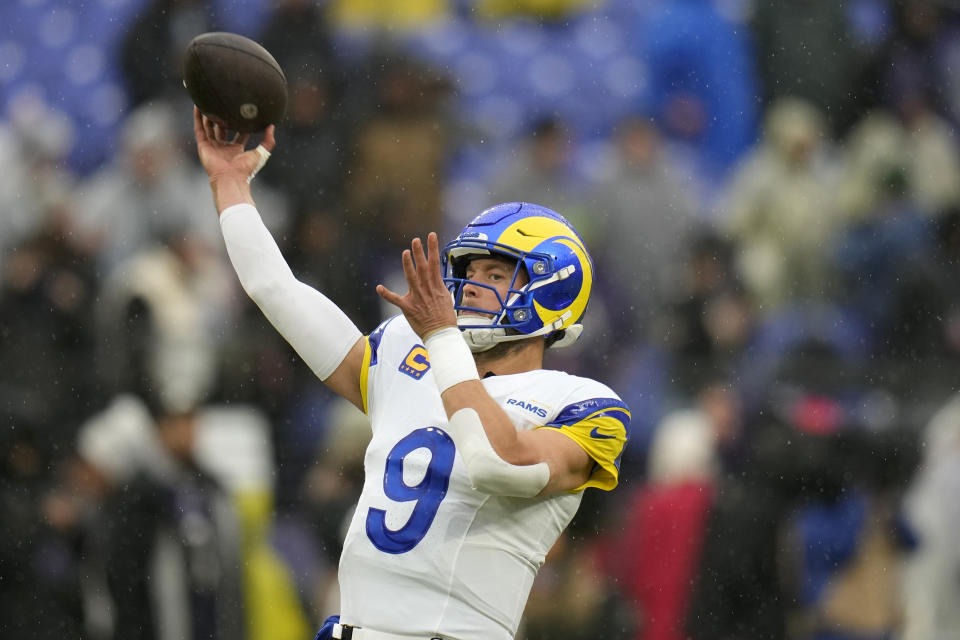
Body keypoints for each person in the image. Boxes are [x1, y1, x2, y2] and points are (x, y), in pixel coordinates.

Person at [191, 107, 630, 640]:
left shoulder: (582, 403)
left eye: (495, 273)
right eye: (468, 272)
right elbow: (277, 291)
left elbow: (498, 463)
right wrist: (231, 184)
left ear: (552, 290)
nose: (470, 286)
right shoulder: (408, 351)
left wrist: (443, 339)